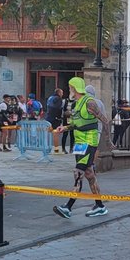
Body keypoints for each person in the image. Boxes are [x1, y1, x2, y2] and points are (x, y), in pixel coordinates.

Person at [52, 78, 110, 219]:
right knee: (89, 174)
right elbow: (76, 124)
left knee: (78, 172)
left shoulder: (90, 102)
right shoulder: (75, 104)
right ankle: (100, 206)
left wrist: (108, 140)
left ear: (75, 88)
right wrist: (65, 127)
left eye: (71, 88)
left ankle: (68, 207)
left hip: (89, 142)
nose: (69, 90)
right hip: (79, 143)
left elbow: (105, 120)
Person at [47, 88, 65, 153]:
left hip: (48, 118)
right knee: (56, 134)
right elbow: (58, 109)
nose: (62, 94)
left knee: (48, 134)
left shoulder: (50, 98)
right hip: (55, 119)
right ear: (59, 93)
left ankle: (47, 148)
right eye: (62, 93)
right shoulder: (58, 99)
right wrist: (60, 118)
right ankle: (56, 150)